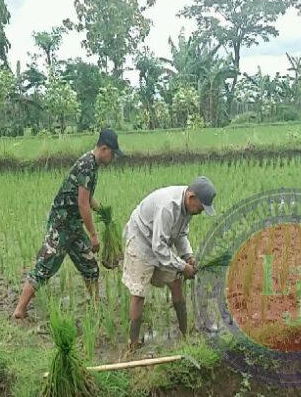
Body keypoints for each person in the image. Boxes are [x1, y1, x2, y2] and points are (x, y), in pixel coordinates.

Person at [12, 129, 123, 319]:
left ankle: (96, 307)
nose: (113, 158)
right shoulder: (87, 165)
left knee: (89, 265)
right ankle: (19, 310)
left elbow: (88, 199)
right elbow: (82, 203)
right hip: (61, 225)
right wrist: (94, 235)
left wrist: (103, 212)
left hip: (73, 226)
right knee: (45, 266)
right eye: (112, 154)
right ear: (104, 149)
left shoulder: (92, 165)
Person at [122, 176, 216, 349]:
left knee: (175, 282)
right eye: (202, 207)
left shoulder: (188, 209)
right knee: (139, 291)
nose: (201, 211)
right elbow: (159, 248)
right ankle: (133, 343)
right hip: (141, 241)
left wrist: (188, 256)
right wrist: (182, 266)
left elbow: (180, 235)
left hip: (158, 242)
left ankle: (185, 334)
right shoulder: (168, 207)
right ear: (191, 198)